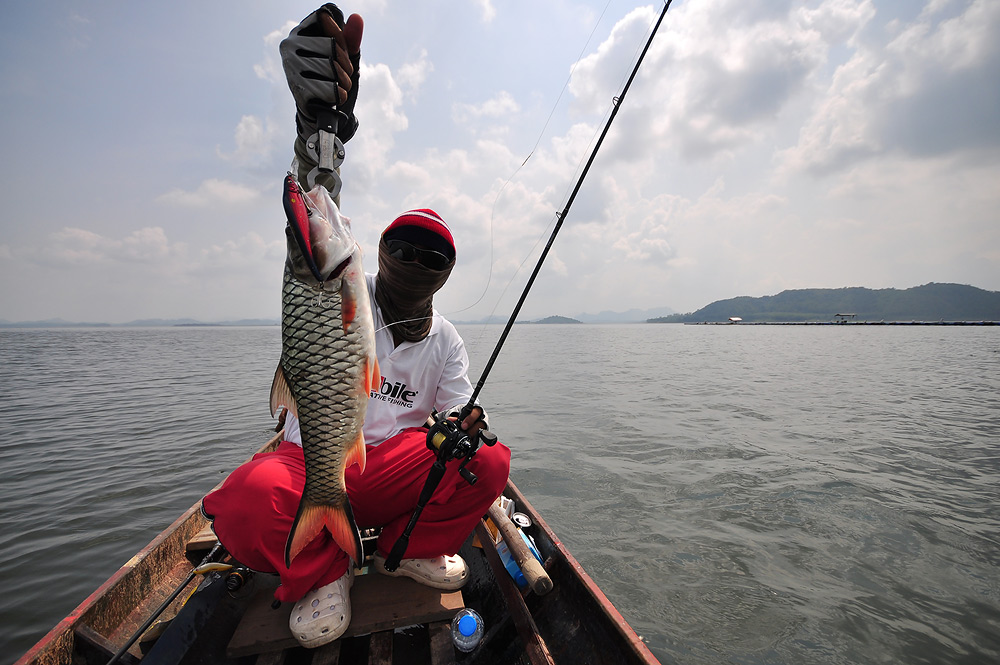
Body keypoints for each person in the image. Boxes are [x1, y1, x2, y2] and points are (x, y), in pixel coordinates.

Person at [201, 4, 511, 650]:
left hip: (393, 476)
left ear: (447, 273)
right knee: (240, 503)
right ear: (377, 250)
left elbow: (454, 427)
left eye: (434, 254)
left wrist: (460, 430)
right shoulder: (339, 287)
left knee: (488, 461)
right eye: (404, 245)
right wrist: (320, 129)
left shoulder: (446, 340)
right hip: (314, 461)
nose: (416, 260)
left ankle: (406, 548)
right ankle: (324, 569)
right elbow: (314, 209)